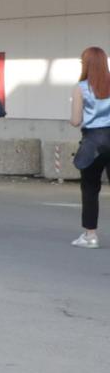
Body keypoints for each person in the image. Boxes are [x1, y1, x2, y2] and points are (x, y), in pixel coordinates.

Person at [70, 45, 110, 248]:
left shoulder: (81, 87)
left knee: (90, 188)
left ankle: (90, 235)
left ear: (86, 64)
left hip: (93, 142)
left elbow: (76, 120)